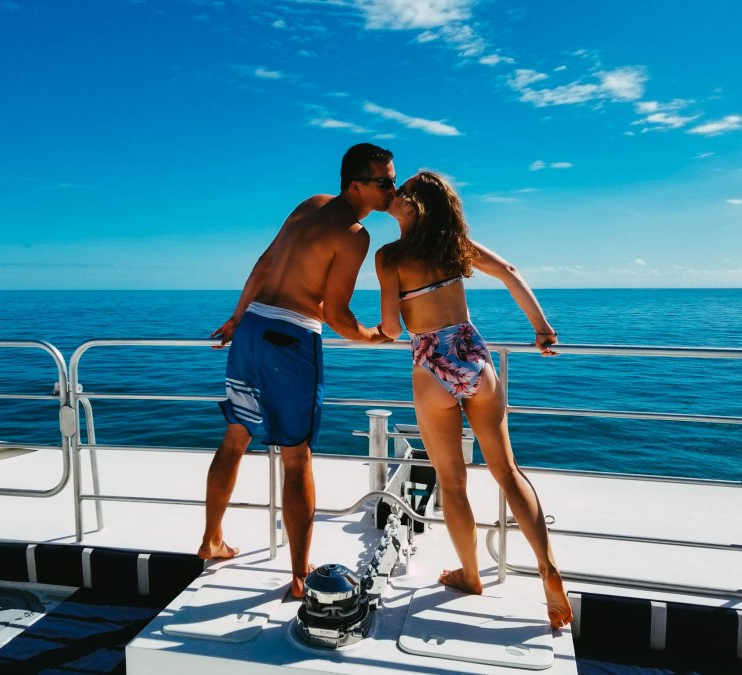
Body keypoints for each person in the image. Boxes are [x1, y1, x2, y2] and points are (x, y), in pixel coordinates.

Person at [374, 170, 573, 629]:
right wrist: (542, 329)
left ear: (416, 205)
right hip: (474, 358)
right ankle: (547, 568)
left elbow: (391, 328)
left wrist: (358, 329)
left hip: (431, 365)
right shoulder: (453, 244)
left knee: (452, 481)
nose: (395, 194)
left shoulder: (389, 257)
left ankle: (469, 574)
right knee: (508, 471)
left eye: (403, 191)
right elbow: (509, 272)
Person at [198, 143, 396, 599]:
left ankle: (211, 539)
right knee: (297, 457)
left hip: (252, 330)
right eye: (385, 182)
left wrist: (237, 318)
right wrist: (375, 336)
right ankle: (300, 577)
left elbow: (264, 264)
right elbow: (337, 314)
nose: (393, 189)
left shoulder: (310, 204)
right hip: (290, 341)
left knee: (235, 437)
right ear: (356, 186)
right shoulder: (355, 234)